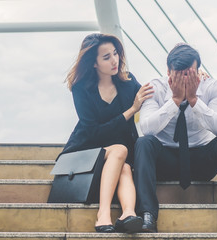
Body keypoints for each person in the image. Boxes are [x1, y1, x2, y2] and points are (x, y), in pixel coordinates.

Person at [134, 43, 217, 233]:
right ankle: (146, 215)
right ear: (168, 71)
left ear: (198, 72)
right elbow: (147, 128)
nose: (185, 80)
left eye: (189, 74)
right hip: (165, 161)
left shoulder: (211, 87)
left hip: (200, 161)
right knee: (144, 143)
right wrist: (174, 101)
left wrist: (194, 101)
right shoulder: (155, 88)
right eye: (179, 74)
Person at [60, 33, 153, 233]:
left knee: (125, 167)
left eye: (115, 54)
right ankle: (103, 214)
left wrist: (195, 79)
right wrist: (131, 111)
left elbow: (154, 94)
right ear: (93, 63)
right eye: (106, 57)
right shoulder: (81, 89)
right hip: (86, 154)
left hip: (117, 161)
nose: (115, 60)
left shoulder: (128, 82)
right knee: (119, 150)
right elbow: (94, 133)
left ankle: (128, 214)